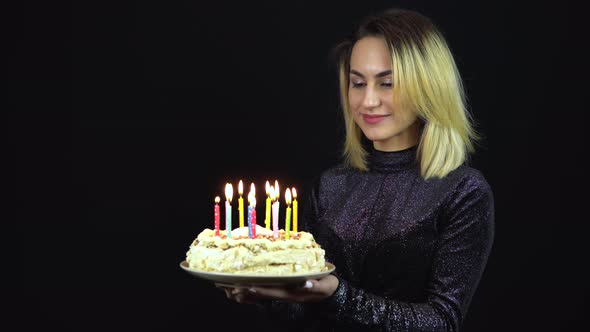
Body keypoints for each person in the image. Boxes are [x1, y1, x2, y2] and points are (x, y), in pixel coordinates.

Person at [218, 7, 494, 332]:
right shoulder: (330, 186)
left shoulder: (464, 192)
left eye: (387, 83)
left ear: (428, 87)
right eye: (358, 83)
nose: (368, 101)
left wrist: (338, 293)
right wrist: (262, 291)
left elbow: (441, 322)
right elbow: (302, 309)